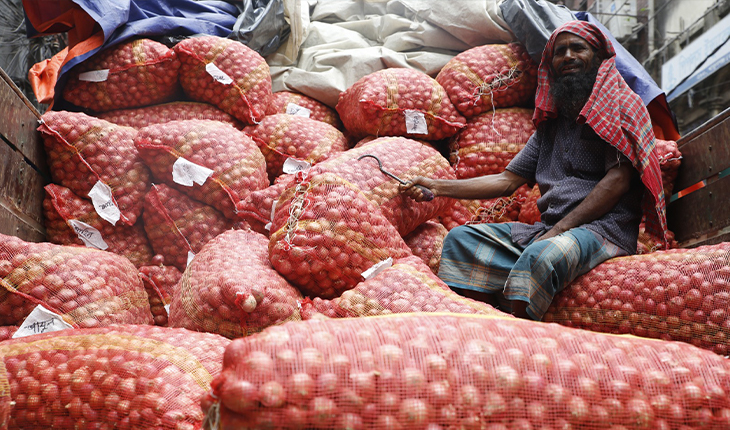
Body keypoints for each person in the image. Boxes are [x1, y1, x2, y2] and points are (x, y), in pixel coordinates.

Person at [400, 20, 668, 320]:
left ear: (598, 57)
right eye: (559, 52)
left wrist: (559, 230)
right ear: (550, 65)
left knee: (540, 257)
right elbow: (506, 180)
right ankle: (478, 319)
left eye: (578, 48)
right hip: (549, 231)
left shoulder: (621, 106)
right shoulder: (551, 124)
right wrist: (437, 187)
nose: (568, 56)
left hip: (602, 231)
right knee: (461, 241)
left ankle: (516, 333)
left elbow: (617, 181)